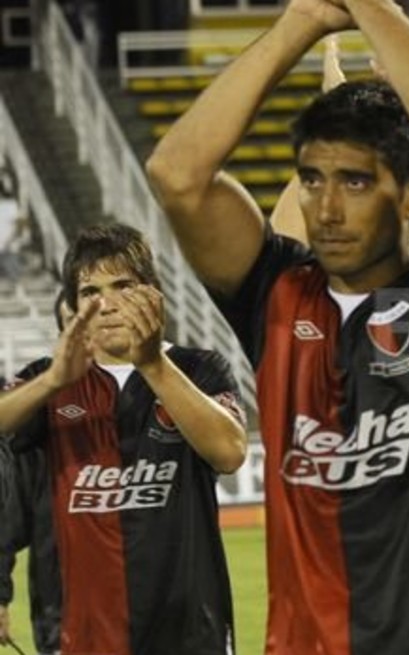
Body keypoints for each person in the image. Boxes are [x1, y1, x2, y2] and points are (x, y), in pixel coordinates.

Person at [144, 0, 409, 652]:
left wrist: (370, 5)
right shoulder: (278, 294)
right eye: (312, 180)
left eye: (356, 182)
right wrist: (301, 21)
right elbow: (176, 175)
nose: (327, 208)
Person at [0, 224, 247, 654]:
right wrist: (54, 380)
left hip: (190, 631)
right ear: (75, 305)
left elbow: (229, 453)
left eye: (123, 286)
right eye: (90, 291)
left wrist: (152, 365)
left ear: (153, 292)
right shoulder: (46, 381)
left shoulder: (200, 368)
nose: (108, 304)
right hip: (84, 633)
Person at [0, 296, 70, 655]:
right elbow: (7, 517)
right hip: (64, 618)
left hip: (167, 617)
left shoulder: (175, 387)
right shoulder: (37, 411)